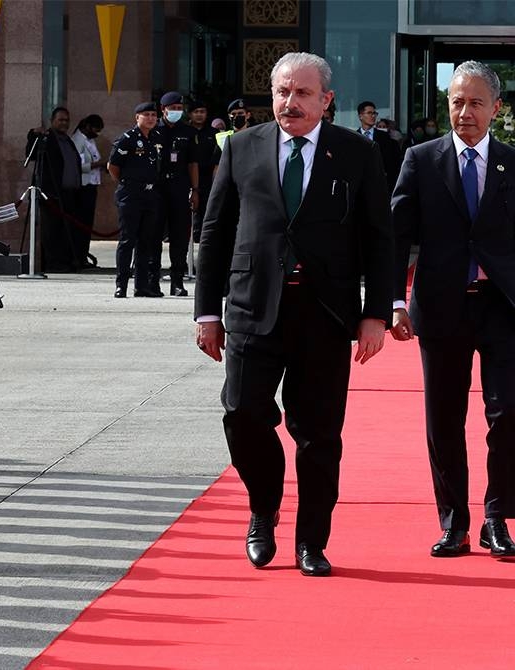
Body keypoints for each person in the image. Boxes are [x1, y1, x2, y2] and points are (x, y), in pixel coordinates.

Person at [194, 52, 394, 577]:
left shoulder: (355, 154)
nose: (290, 103)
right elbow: (214, 233)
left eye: (303, 93)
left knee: (319, 433)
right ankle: (264, 505)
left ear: (327, 101)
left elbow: (380, 237)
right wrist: (205, 312)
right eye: (283, 92)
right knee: (241, 414)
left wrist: (376, 312)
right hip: (251, 309)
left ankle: (312, 541)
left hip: (325, 314)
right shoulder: (242, 148)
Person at [390, 60, 515, 560]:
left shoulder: (511, 163)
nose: (465, 112)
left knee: (508, 414)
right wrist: (393, 300)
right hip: (441, 306)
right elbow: (398, 234)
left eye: (476, 102)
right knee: (443, 417)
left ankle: (496, 518)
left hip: (503, 306)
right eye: (457, 102)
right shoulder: (421, 159)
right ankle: (453, 523)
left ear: (497, 109)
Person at [108, 101, 162, 298]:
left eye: (153, 115)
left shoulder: (156, 138)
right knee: (127, 240)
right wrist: (127, 182)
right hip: (131, 194)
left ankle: (142, 285)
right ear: (137, 117)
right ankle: (121, 284)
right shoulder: (127, 139)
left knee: (145, 241)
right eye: (146, 115)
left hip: (150, 194)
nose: (150, 118)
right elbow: (113, 167)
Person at [26, 107, 81, 272]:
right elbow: (32, 154)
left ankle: (66, 261)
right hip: (51, 194)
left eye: (66, 120)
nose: (64, 123)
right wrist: (33, 135)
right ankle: (53, 263)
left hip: (69, 194)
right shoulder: (48, 138)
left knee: (66, 230)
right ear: (53, 121)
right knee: (52, 231)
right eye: (60, 120)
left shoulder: (67, 139)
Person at [155, 91, 198, 296]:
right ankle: (151, 280)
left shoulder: (188, 132)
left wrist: (195, 189)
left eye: (180, 109)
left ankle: (177, 281)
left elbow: (192, 163)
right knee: (152, 235)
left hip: (179, 189)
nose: (177, 112)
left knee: (180, 238)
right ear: (163, 110)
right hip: (156, 190)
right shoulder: (154, 129)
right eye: (173, 109)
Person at [70, 114, 104, 269]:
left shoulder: (90, 141)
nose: (97, 133)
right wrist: (99, 164)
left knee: (87, 224)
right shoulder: (78, 141)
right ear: (87, 126)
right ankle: (78, 256)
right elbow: (78, 165)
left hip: (92, 184)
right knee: (81, 223)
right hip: (83, 186)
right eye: (96, 129)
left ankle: (84, 254)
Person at [189, 100, 216, 272]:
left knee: (206, 224)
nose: (199, 114)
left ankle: (203, 263)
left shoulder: (214, 134)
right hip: (186, 182)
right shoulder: (184, 132)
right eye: (196, 111)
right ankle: (186, 264)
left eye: (202, 111)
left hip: (207, 183)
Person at [357, 100, 402, 193]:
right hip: (360, 186)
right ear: (360, 116)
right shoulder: (353, 137)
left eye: (374, 113)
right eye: (369, 113)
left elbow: (392, 163)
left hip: (381, 185)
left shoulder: (385, 137)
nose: (373, 116)